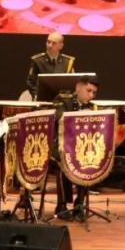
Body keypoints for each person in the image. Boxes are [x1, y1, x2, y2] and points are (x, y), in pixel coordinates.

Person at [52, 75, 99, 221]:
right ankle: (61, 206)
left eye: (94, 93)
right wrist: (81, 116)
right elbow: (59, 118)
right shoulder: (62, 99)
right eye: (88, 91)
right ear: (78, 88)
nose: (91, 96)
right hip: (59, 145)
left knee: (89, 160)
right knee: (62, 160)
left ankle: (79, 204)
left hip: (80, 147)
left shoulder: (92, 106)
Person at [26, 32, 76, 101]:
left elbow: (71, 82)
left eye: (53, 43)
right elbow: (31, 82)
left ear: (61, 46)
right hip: (43, 100)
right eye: (48, 42)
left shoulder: (68, 62)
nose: (50, 45)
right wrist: (37, 96)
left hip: (62, 100)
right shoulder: (38, 61)